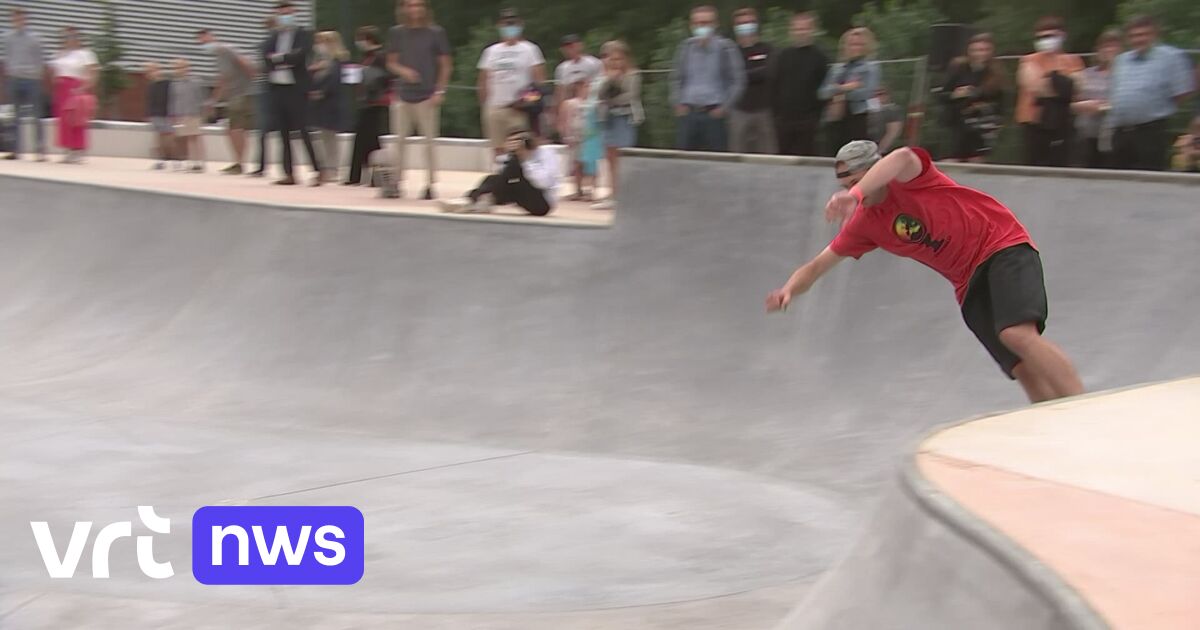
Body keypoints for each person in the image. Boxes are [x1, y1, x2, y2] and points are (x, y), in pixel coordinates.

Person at [766, 141, 1084, 404]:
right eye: (845, 187)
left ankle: (1085, 408)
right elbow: (817, 265)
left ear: (872, 172)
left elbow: (902, 156)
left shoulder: (910, 176)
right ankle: (1053, 424)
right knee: (1020, 367)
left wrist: (855, 193)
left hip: (1000, 244)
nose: (851, 192)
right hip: (966, 282)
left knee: (1016, 333)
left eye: (855, 182)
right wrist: (789, 290)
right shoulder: (864, 224)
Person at [1108, 15, 1197, 172]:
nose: (1138, 39)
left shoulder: (1171, 57)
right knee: (1118, 181)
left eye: (1143, 34)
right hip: (1121, 132)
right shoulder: (1121, 60)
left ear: (1154, 35)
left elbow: (1183, 92)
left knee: (1148, 179)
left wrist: (1154, 109)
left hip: (1150, 133)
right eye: (1134, 36)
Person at [388, 0, 452, 199]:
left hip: (427, 95)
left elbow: (446, 64)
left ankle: (430, 184)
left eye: (418, 5)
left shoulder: (435, 33)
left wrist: (439, 91)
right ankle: (395, 182)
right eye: (410, 5)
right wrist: (403, 71)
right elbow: (391, 62)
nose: (415, 9)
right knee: (398, 141)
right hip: (403, 94)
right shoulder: (397, 33)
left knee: (429, 142)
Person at [669, 5, 745, 152]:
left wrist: (725, 108)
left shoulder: (726, 47)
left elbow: (737, 81)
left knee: (717, 162)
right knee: (684, 161)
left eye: (706, 23)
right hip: (688, 113)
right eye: (697, 23)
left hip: (714, 114)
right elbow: (676, 78)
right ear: (691, 25)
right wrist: (677, 103)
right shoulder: (686, 47)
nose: (701, 27)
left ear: (715, 24)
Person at [263, 0, 322, 186]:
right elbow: (266, 59)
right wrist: (284, 59)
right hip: (278, 88)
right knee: (283, 133)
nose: (285, 15)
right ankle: (289, 173)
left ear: (294, 13)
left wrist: (279, 58)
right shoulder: (273, 37)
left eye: (288, 11)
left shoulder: (303, 34)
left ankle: (317, 170)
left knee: (303, 130)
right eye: (281, 12)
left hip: (297, 89)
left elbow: (299, 57)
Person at [438, 128, 559, 216]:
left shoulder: (546, 153)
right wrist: (508, 153)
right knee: (492, 179)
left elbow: (543, 183)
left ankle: (478, 201)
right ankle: (475, 200)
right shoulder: (516, 157)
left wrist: (525, 160)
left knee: (513, 166)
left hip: (542, 203)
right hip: (522, 194)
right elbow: (501, 176)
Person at [1016, 16, 1084, 168]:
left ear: (1062, 36)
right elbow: (1035, 86)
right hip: (1033, 123)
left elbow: (1078, 88)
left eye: (1050, 36)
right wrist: (1062, 82)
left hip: (1062, 124)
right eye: (1041, 37)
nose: (1045, 40)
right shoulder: (1029, 60)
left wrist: (1049, 80)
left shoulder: (1073, 60)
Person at [477, 8, 545, 157]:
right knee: (499, 151)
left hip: (519, 109)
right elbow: (483, 80)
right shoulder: (491, 51)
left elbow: (539, 81)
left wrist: (526, 103)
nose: (509, 27)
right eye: (506, 24)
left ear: (520, 25)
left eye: (513, 23)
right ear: (500, 26)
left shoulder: (530, 50)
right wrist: (486, 106)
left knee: (521, 150)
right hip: (495, 108)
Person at [589, 39, 642, 210]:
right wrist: (609, 80)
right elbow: (599, 95)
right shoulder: (603, 77)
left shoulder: (633, 75)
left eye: (619, 59)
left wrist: (611, 99)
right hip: (607, 119)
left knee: (622, 158)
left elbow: (630, 96)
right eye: (611, 59)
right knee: (609, 158)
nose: (615, 63)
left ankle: (625, 193)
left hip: (624, 118)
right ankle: (613, 193)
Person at [196, 29, 256, 174]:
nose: (204, 45)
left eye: (204, 41)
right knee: (235, 129)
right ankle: (239, 162)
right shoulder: (223, 53)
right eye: (201, 43)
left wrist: (252, 83)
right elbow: (225, 78)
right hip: (238, 94)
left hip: (240, 94)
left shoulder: (224, 51)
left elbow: (243, 66)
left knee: (235, 129)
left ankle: (240, 164)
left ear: (211, 37)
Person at [941, 33, 1006, 163]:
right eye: (977, 50)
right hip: (957, 124)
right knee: (954, 160)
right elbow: (943, 95)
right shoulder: (958, 68)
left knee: (976, 160)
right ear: (969, 51)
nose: (980, 54)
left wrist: (983, 105)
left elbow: (1000, 102)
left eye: (985, 50)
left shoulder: (996, 73)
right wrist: (955, 94)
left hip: (981, 126)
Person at [771, 12, 829, 156]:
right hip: (784, 120)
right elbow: (774, 85)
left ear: (812, 30)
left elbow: (826, 88)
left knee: (807, 159)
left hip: (808, 121)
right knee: (784, 159)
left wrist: (816, 116)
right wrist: (776, 114)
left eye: (805, 29)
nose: (801, 32)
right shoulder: (782, 56)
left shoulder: (820, 57)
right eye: (798, 29)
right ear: (791, 31)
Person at [555, 34, 602, 200]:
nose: (571, 49)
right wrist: (559, 117)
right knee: (574, 157)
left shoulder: (593, 63)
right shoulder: (562, 68)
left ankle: (592, 188)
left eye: (573, 45)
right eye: (567, 47)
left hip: (588, 111)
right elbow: (560, 92)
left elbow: (599, 86)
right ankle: (578, 188)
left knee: (590, 156)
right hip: (571, 111)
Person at [819, 27, 881, 153]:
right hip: (835, 118)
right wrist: (846, 87)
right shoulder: (837, 69)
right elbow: (822, 93)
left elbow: (866, 92)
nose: (854, 48)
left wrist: (838, 92)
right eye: (851, 44)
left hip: (857, 117)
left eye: (858, 44)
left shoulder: (870, 68)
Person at [345, 26, 392, 187]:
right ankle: (359, 175)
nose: (359, 42)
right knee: (364, 138)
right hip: (366, 101)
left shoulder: (380, 56)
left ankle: (371, 175)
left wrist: (363, 73)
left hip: (376, 102)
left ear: (369, 39)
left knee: (370, 138)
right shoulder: (367, 57)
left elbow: (381, 77)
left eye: (361, 39)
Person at [1072, 31, 1121, 169]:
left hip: (1112, 135)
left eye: (1114, 46)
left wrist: (1104, 107)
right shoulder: (1085, 74)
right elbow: (1073, 100)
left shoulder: (1125, 74)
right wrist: (1081, 106)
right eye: (1105, 46)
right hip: (1086, 133)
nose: (1109, 50)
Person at [49, 26, 97, 164]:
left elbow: (93, 72)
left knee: (76, 119)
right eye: (66, 37)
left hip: (75, 88)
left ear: (78, 39)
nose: (70, 40)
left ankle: (78, 150)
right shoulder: (60, 54)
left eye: (73, 37)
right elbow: (54, 70)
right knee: (63, 121)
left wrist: (84, 87)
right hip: (61, 89)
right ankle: (67, 149)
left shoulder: (85, 54)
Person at [730, 7, 775, 154]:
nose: (746, 26)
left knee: (768, 155)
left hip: (765, 111)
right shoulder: (730, 52)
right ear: (735, 27)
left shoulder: (768, 49)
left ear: (756, 24)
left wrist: (744, 74)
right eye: (741, 23)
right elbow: (731, 76)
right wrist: (753, 73)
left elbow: (769, 72)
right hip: (739, 111)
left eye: (749, 22)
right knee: (737, 155)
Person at [3, 7, 46, 161]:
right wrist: (10, 73)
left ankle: (40, 151)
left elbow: (40, 60)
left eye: (21, 18)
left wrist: (37, 75)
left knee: (36, 116)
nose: (18, 20)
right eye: (15, 18)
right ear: (12, 20)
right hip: (14, 79)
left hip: (32, 80)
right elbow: (7, 57)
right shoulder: (8, 37)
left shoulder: (34, 38)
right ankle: (16, 150)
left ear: (25, 19)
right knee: (15, 117)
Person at [309, 30, 348, 183]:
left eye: (322, 42)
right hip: (321, 105)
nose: (319, 46)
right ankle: (327, 167)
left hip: (331, 104)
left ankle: (333, 168)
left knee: (331, 138)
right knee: (324, 137)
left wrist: (322, 92)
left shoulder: (338, 61)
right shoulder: (320, 62)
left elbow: (336, 82)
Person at [249, 15, 278, 178]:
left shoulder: (268, 44)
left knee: (263, 130)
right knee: (263, 130)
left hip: (269, 88)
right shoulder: (268, 44)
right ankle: (261, 165)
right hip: (268, 88)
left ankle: (262, 165)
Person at [558, 80, 593, 201]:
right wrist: (566, 135)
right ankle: (578, 190)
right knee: (577, 164)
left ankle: (590, 190)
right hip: (575, 136)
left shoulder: (593, 103)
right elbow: (564, 120)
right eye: (585, 86)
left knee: (590, 164)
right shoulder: (569, 103)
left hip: (590, 136)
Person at [169, 58, 206, 172]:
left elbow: (200, 98)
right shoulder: (175, 84)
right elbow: (173, 100)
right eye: (176, 68)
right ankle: (192, 162)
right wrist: (173, 114)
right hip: (181, 114)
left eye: (181, 67)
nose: (179, 70)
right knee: (188, 139)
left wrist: (201, 112)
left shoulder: (195, 82)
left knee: (196, 137)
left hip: (193, 113)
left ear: (187, 68)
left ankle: (200, 163)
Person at [143, 62, 175, 170]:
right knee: (159, 138)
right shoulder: (151, 85)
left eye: (150, 70)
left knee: (168, 137)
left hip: (165, 114)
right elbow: (150, 101)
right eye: (147, 71)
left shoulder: (166, 84)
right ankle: (161, 160)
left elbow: (170, 98)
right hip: (155, 115)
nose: (148, 74)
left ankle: (172, 159)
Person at [870, 87, 904, 154]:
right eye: (875, 95)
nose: (878, 97)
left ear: (888, 95)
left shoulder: (893, 110)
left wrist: (880, 150)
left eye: (881, 94)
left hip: (883, 150)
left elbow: (892, 132)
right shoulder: (872, 111)